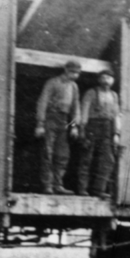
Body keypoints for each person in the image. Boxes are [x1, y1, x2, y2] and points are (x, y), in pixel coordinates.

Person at [35, 60, 81, 194]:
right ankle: (47, 185)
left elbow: (75, 107)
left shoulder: (74, 87)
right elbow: (42, 101)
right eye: (73, 72)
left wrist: (74, 126)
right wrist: (40, 123)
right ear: (66, 70)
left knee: (62, 154)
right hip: (51, 117)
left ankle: (58, 184)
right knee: (47, 152)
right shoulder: (53, 82)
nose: (75, 75)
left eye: (77, 73)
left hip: (64, 120)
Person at [76, 68, 121, 198]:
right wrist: (82, 128)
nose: (106, 80)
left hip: (107, 128)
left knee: (108, 160)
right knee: (87, 158)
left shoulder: (114, 95)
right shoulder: (91, 92)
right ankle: (82, 189)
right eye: (103, 77)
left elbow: (116, 114)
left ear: (113, 80)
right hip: (92, 126)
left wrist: (116, 133)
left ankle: (98, 189)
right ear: (99, 79)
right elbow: (84, 110)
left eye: (109, 78)